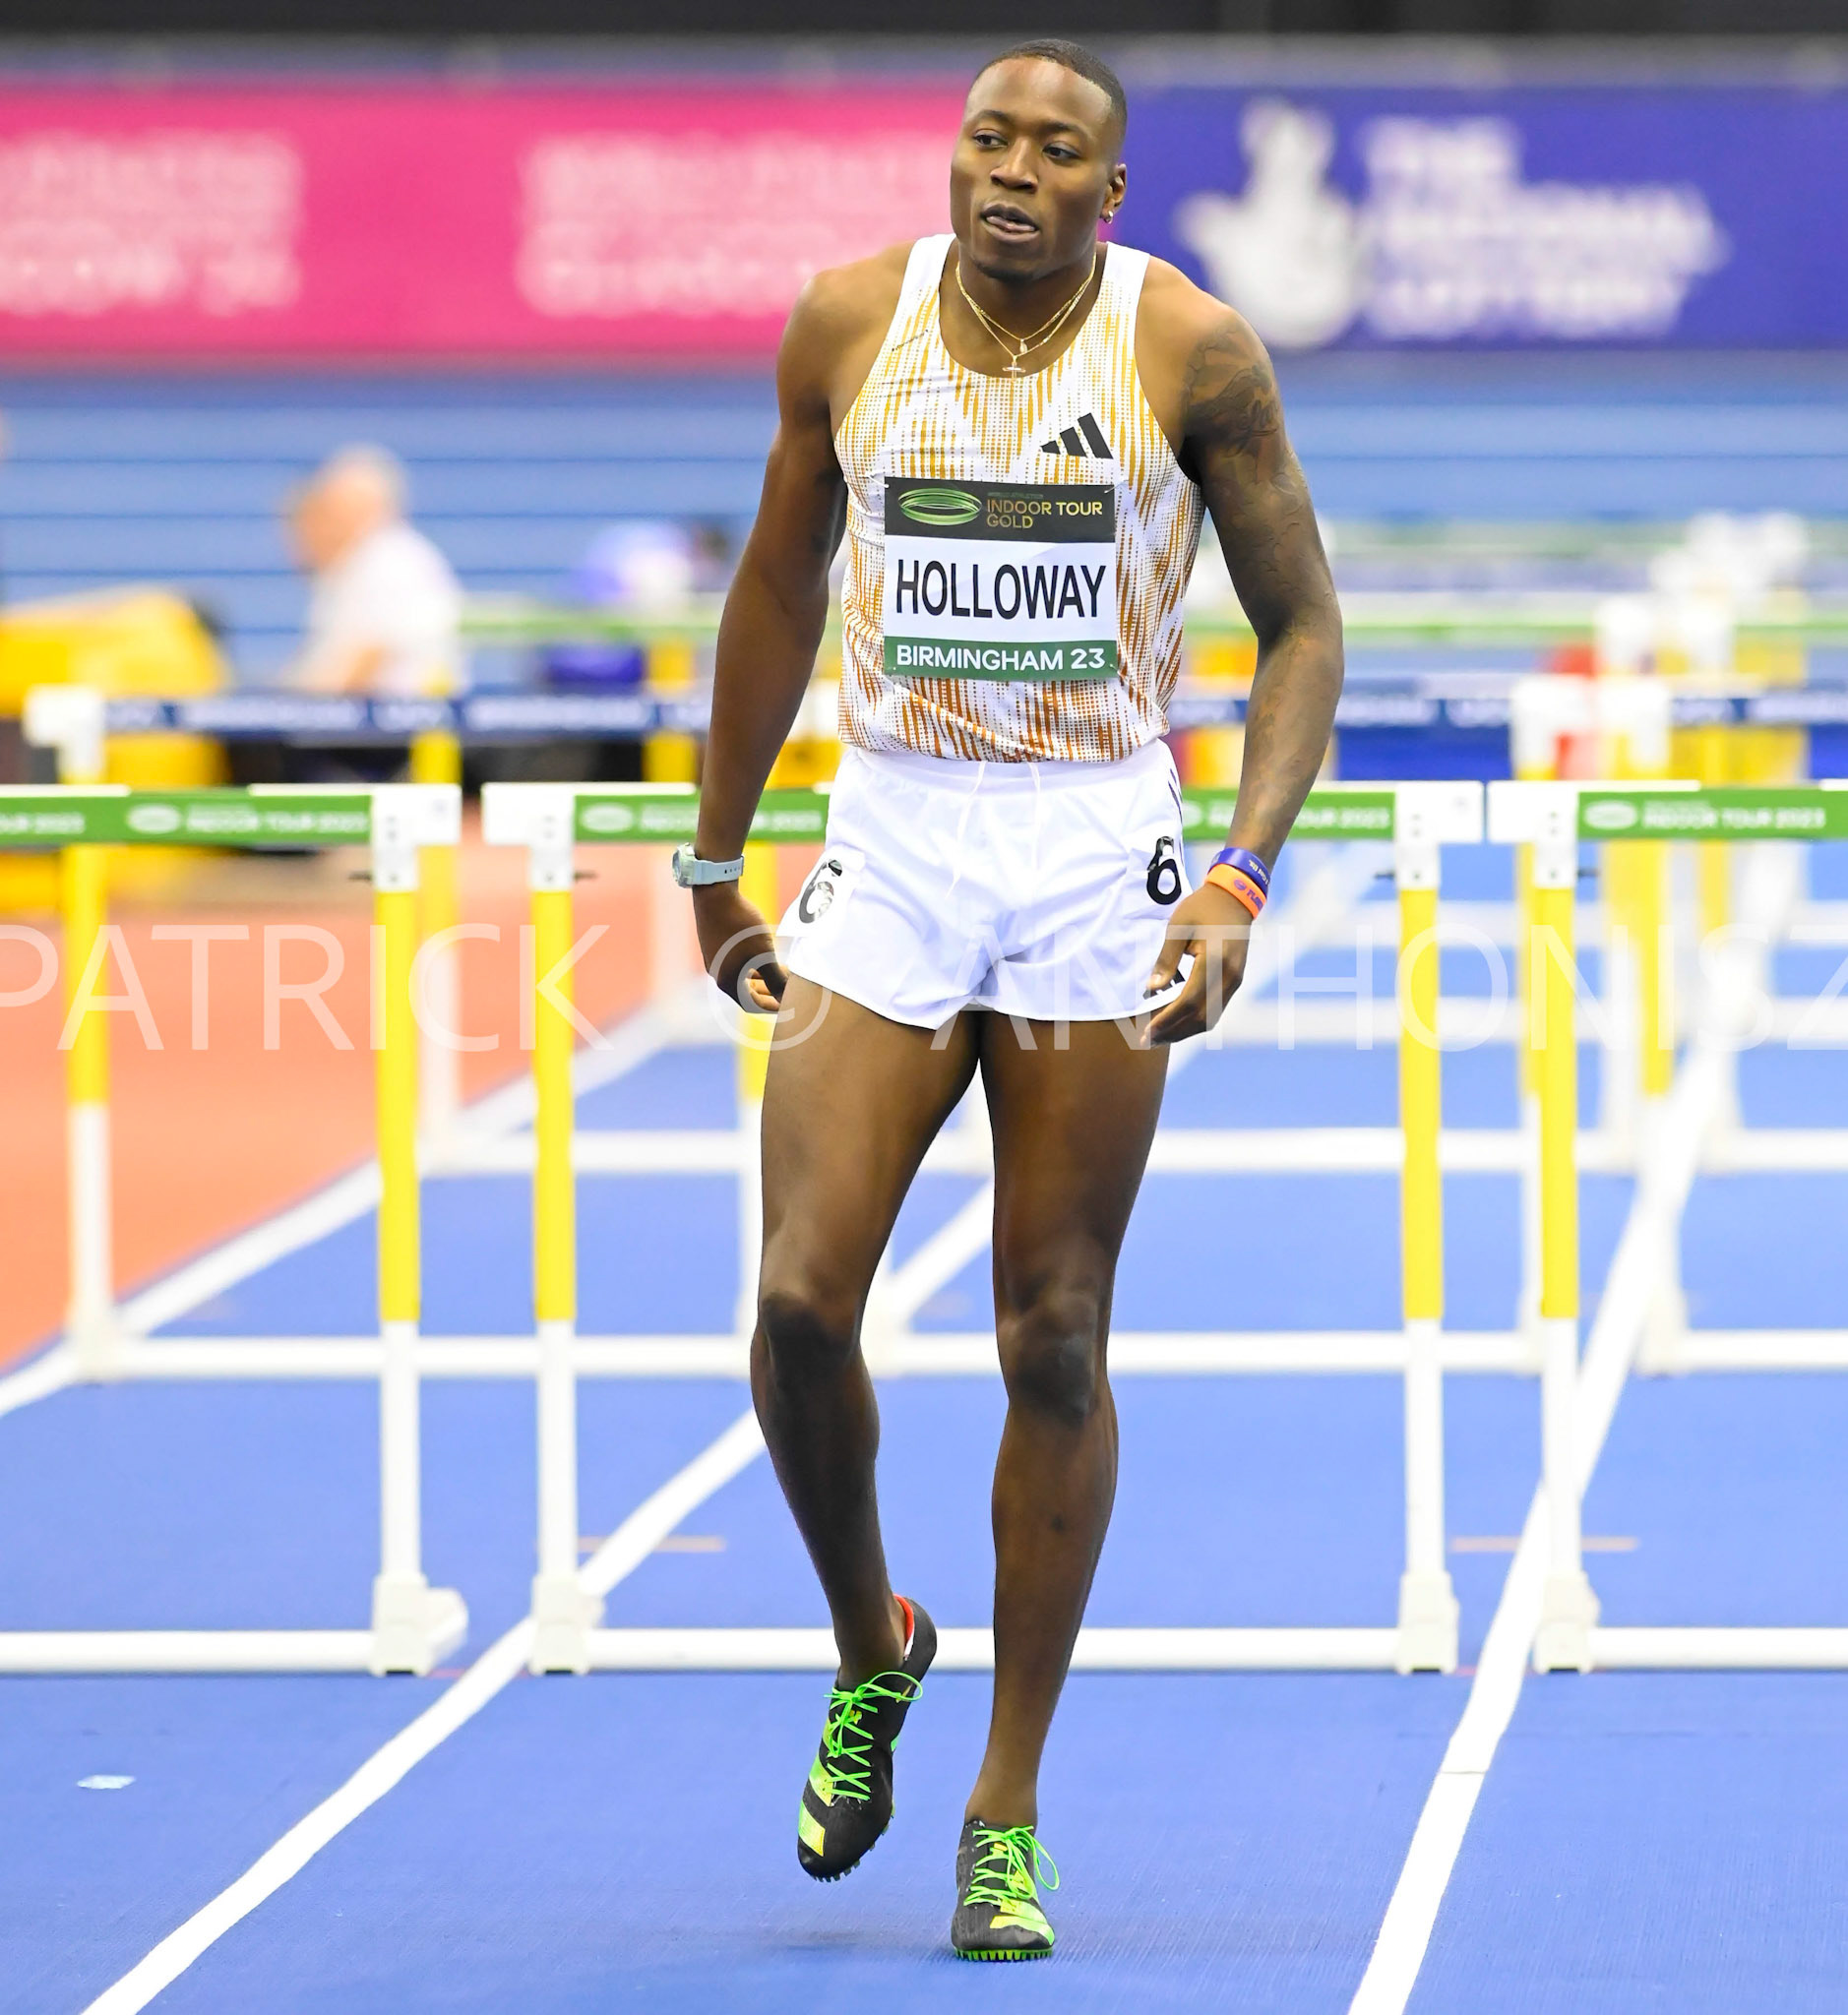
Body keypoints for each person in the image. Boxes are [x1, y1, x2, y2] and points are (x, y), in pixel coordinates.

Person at [672, 38, 1342, 1961]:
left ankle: (1005, 1798)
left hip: (1090, 854)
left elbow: (1305, 626)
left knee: (1052, 1329)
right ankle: (869, 1638)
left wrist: (1236, 870)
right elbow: (777, 582)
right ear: (951, 157)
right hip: (892, 834)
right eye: (990, 137)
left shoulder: (1190, 353)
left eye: (1060, 151)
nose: (1017, 171)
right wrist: (717, 856)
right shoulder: (845, 325)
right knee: (803, 1301)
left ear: (1108, 194)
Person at [282, 445, 463, 698]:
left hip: (395, 725)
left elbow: (365, 665)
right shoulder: (357, 565)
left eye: (336, 508)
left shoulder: (390, 560)